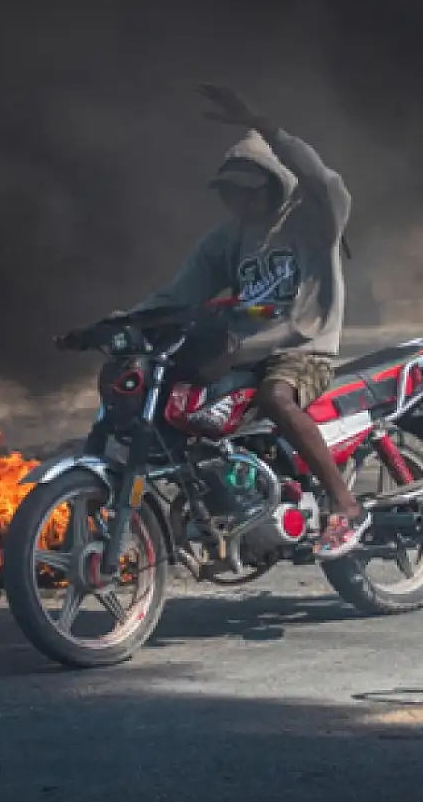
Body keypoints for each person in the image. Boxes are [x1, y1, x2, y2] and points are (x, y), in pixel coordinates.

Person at [131, 84, 368, 560]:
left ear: (275, 181)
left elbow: (322, 178)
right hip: (241, 346)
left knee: (275, 396)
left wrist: (266, 125)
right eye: (230, 192)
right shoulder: (228, 238)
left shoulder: (315, 220)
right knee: (170, 393)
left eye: (249, 189)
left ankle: (345, 505)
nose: (239, 201)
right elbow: (179, 292)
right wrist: (118, 323)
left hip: (301, 348)